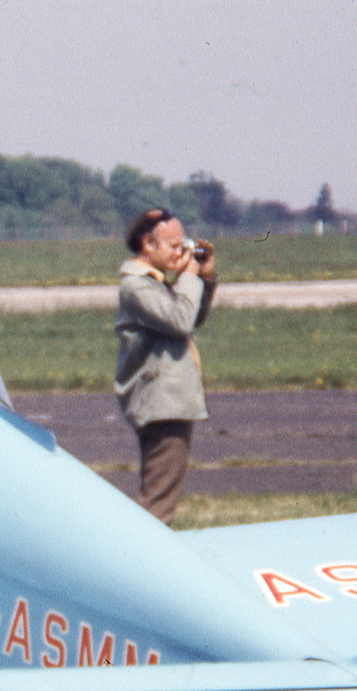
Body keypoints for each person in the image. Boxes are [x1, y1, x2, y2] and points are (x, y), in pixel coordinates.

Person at [113, 208, 217, 524]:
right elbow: (182, 319)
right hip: (163, 405)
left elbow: (192, 315)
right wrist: (188, 275)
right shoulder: (136, 286)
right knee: (158, 506)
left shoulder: (154, 283)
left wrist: (204, 278)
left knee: (159, 499)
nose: (181, 253)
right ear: (148, 244)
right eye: (173, 246)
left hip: (168, 403)